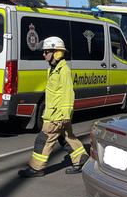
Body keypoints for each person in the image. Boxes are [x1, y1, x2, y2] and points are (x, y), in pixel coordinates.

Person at [19, 36, 88, 178]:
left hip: (57, 116)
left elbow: (68, 93)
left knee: (43, 140)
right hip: (54, 113)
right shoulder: (52, 69)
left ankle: (36, 168)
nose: (43, 55)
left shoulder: (64, 71)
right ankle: (81, 158)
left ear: (56, 52)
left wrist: (65, 115)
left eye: (46, 52)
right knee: (67, 138)